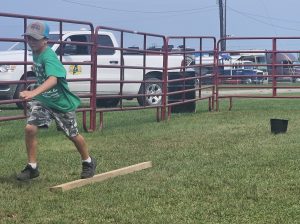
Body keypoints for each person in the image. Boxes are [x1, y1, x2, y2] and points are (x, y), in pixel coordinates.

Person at [16, 21, 97, 181]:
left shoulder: (49, 56)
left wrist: (33, 92)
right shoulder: (36, 52)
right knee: (30, 129)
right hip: (44, 101)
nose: (31, 41)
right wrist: (38, 93)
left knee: (73, 135)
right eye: (28, 38)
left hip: (61, 104)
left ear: (46, 40)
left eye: (35, 38)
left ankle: (88, 161)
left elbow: (53, 80)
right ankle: (32, 167)